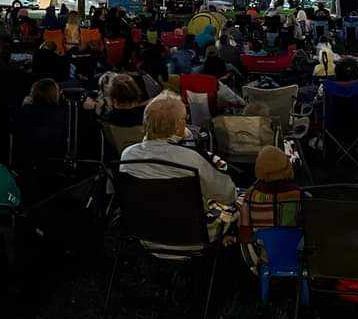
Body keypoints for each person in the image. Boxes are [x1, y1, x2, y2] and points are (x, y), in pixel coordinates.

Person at [120, 93, 236, 245]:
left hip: (147, 237)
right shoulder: (192, 159)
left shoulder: (127, 155)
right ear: (178, 125)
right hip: (192, 239)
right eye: (184, 119)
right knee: (238, 200)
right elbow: (228, 195)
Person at [237, 145, 302, 248]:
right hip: (294, 251)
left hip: (265, 254)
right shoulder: (298, 194)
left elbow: (245, 234)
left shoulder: (251, 195)